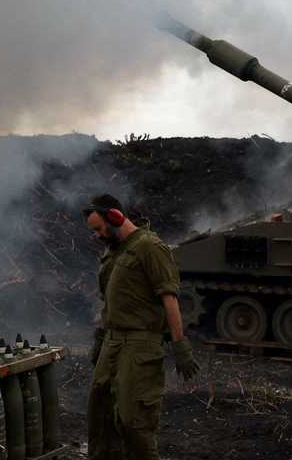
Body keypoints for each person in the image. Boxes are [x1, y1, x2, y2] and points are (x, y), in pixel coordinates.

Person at [84, 193, 199, 460]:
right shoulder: (114, 251)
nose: (97, 236)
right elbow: (110, 301)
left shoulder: (150, 247)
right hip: (112, 341)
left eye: (99, 229)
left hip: (139, 344)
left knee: (132, 420)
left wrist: (181, 346)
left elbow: (169, 298)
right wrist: (101, 339)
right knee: (99, 413)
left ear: (115, 217)